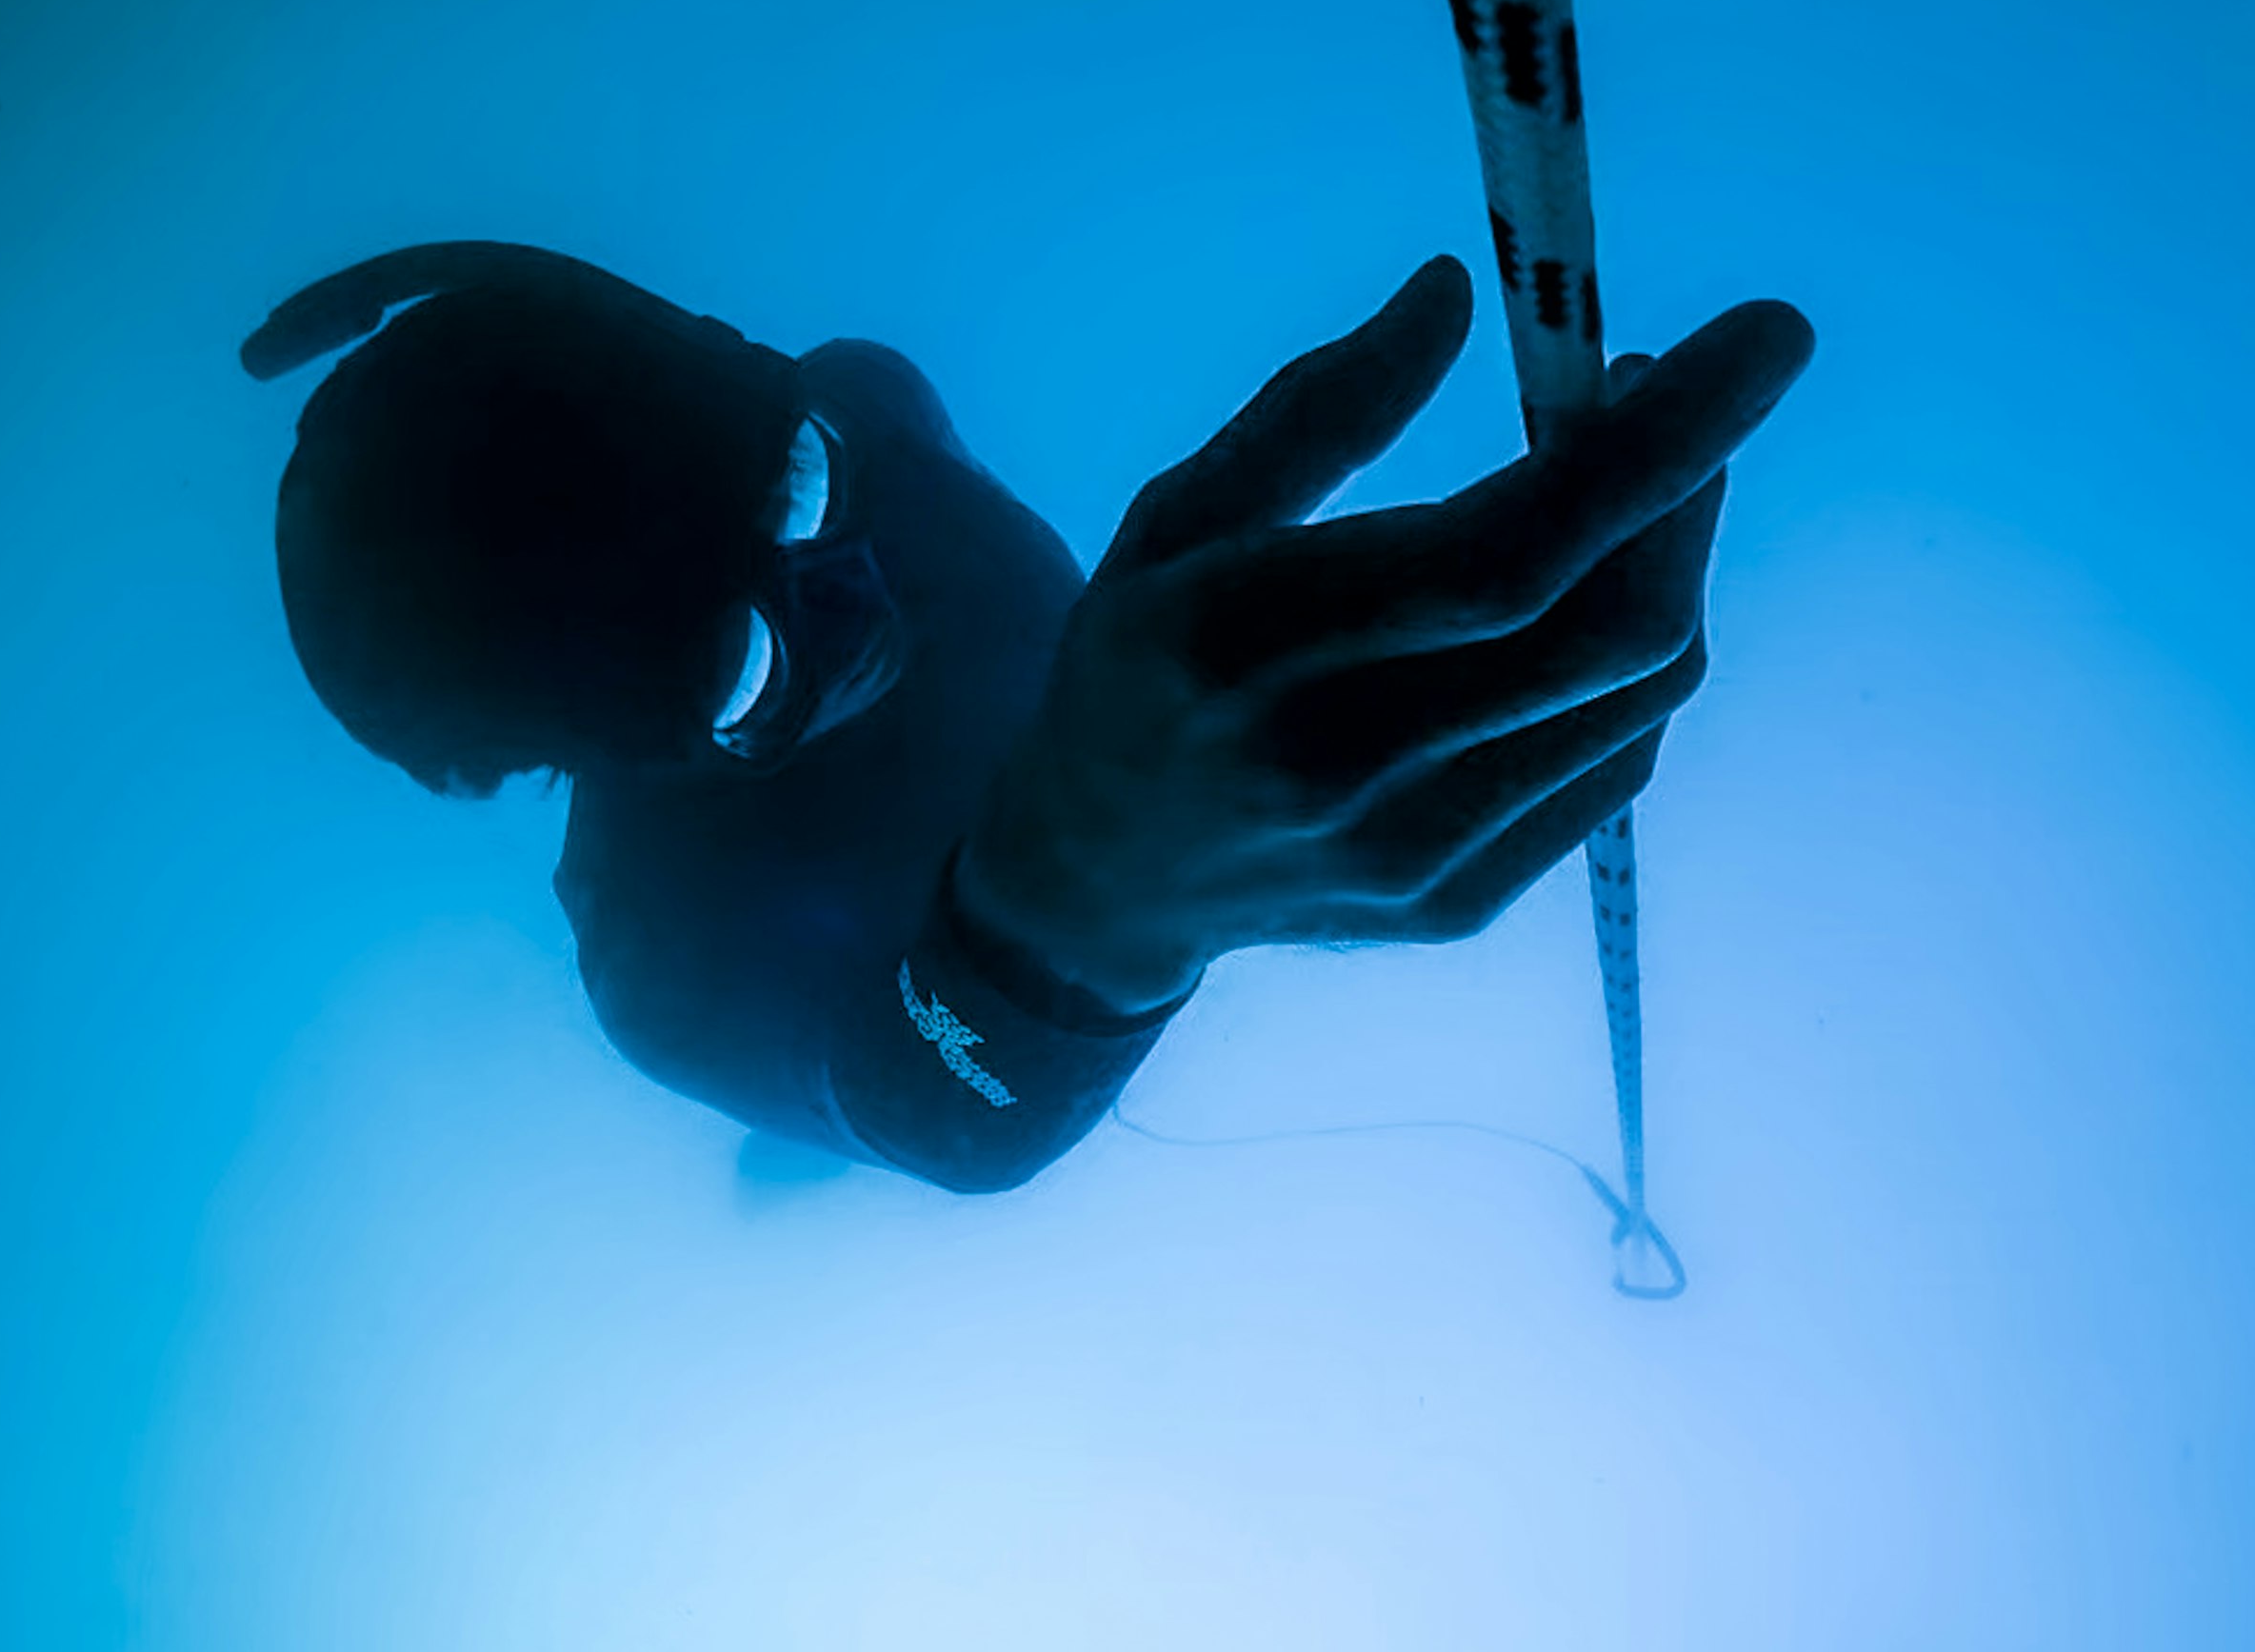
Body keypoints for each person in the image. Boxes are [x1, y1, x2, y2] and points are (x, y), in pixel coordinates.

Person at [245, 241, 1813, 1194]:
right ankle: (779, 1147)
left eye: (798, 486)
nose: (856, 592)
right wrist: (1067, 937)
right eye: (740, 666)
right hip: (867, 995)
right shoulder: (668, 960)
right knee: (811, 1115)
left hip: (982, 898)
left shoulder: (869, 400)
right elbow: (943, 1118)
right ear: (601, 764)